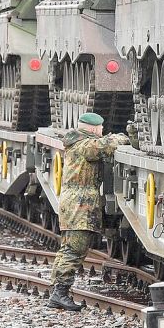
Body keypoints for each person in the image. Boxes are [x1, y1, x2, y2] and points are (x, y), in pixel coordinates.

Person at [48, 112, 128, 311]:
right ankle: (60, 294)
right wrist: (122, 137)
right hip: (80, 206)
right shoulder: (85, 145)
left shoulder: (76, 143)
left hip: (73, 203)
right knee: (75, 250)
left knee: (67, 249)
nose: (102, 132)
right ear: (93, 129)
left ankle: (57, 292)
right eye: (100, 129)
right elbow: (107, 145)